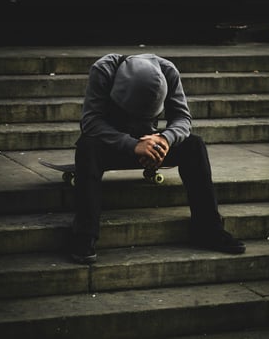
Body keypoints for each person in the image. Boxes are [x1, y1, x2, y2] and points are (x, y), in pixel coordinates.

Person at [70, 53, 246, 263]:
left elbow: (182, 118)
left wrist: (164, 139)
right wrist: (133, 145)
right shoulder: (103, 70)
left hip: (152, 140)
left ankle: (208, 229)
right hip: (112, 144)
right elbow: (90, 122)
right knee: (87, 145)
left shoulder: (168, 71)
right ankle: (84, 235)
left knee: (194, 145)